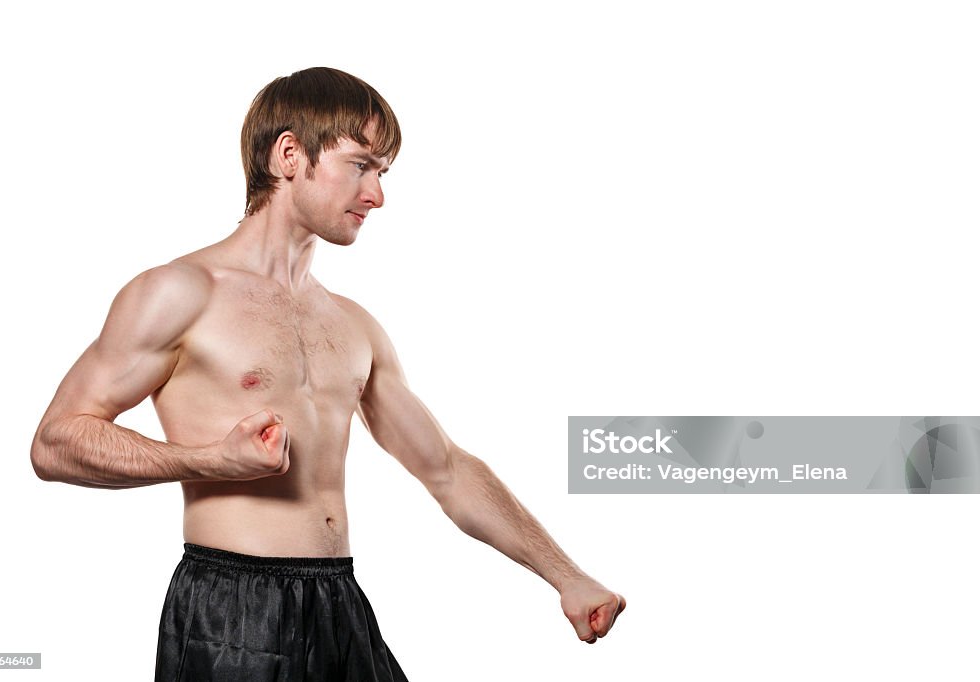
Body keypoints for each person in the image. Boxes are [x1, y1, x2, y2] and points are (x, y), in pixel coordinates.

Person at [31, 66, 625, 680]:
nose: (377, 194)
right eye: (361, 165)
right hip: (233, 610)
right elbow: (56, 442)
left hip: (339, 605)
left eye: (382, 173)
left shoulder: (352, 324)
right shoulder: (181, 293)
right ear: (290, 154)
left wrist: (567, 576)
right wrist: (210, 460)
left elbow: (446, 469)